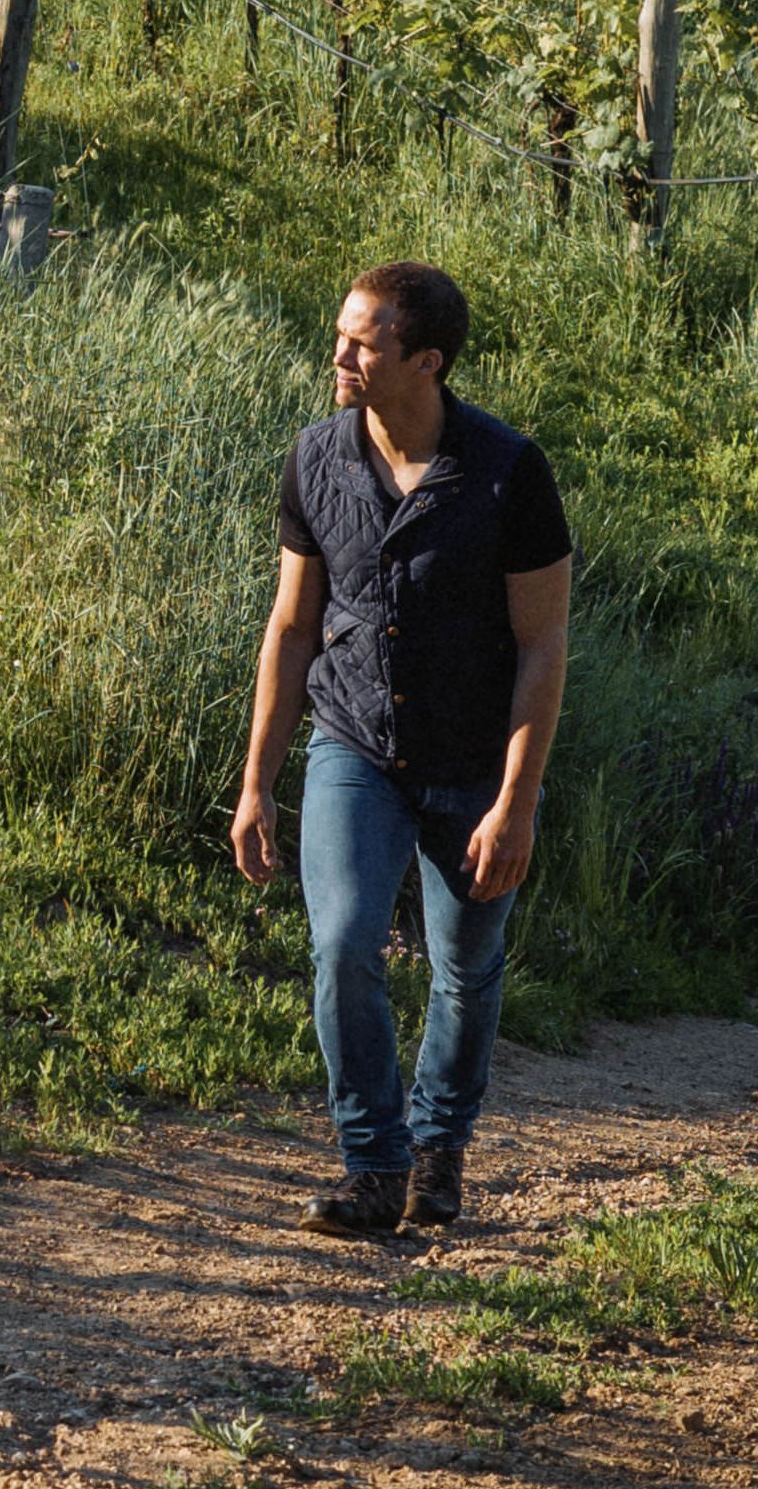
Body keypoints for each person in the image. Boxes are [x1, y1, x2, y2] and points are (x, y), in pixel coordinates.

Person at [228, 262, 572, 1239]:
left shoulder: (507, 472)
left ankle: (438, 1146)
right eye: (341, 334)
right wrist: (254, 782)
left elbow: (542, 644)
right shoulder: (315, 458)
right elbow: (290, 628)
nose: (339, 354)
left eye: (362, 342)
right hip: (353, 746)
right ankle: (373, 1163)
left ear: (424, 359)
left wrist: (516, 800)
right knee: (341, 945)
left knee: (464, 966)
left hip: (473, 761)